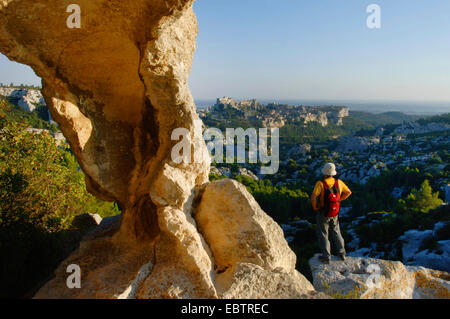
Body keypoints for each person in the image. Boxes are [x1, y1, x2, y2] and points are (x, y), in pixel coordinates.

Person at [311, 163, 352, 264]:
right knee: (336, 232)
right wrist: (338, 201)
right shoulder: (339, 182)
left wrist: (315, 207)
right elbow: (348, 192)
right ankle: (342, 254)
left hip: (323, 212)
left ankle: (326, 257)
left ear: (324, 173)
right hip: (335, 212)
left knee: (323, 234)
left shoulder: (320, 183)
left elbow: (313, 197)